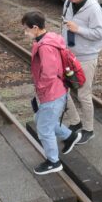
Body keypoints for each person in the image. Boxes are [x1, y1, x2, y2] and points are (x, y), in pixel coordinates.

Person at [22, 11, 82, 174]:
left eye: (26, 29)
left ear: (35, 28)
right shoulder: (49, 39)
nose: (25, 33)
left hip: (51, 92)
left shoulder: (46, 46)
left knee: (44, 128)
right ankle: (69, 136)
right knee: (40, 118)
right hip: (56, 90)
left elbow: (49, 73)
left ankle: (53, 162)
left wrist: (40, 89)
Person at [61, 0, 102, 145]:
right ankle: (75, 121)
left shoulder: (93, 8)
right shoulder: (67, 3)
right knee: (62, 90)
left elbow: (100, 33)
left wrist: (78, 29)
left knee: (83, 94)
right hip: (68, 54)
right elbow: (64, 25)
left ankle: (89, 129)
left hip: (86, 57)